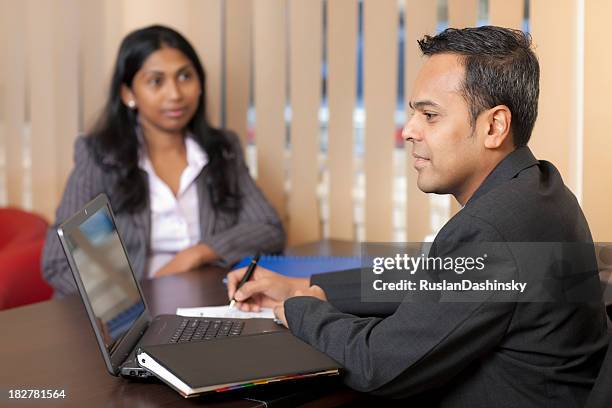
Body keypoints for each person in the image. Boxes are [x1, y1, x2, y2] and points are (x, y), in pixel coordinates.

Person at [227, 26, 609, 406]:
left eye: (430, 115)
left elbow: (378, 363)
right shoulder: (538, 187)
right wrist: (308, 284)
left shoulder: (492, 229)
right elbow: (439, 277)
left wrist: (299, 309)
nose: (409, 130)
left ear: (494, 126)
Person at [43, 25, 285, 297]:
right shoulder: (100, 156)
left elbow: (268, 229)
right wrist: (130, 300)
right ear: (128, 94)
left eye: (185, 76)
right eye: (156, 81)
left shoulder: (222, 149)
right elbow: (59, 261)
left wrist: (198, 253)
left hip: (204, 301)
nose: (175, 94)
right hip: (125, 316)